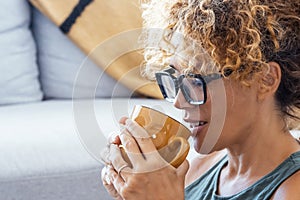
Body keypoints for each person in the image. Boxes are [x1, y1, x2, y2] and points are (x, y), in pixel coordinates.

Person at [101, 0, 300, 199]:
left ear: (266, 80)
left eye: (196, 80)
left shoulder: (291, 190)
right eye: (177, 79)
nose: (179, 101)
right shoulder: (199, 169)